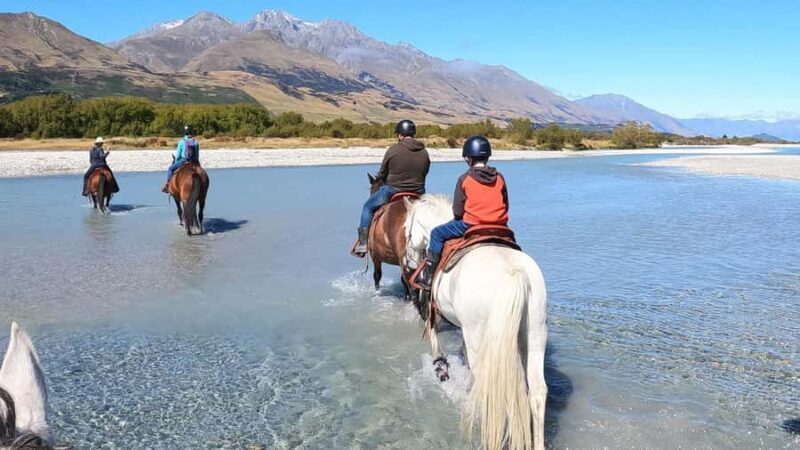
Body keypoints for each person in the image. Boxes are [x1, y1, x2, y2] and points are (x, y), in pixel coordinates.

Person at [415, 136, 509, 290]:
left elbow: (458, 211)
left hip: (471, 224)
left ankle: (429, 277)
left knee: (437, 234)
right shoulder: (500, 178)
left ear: (469, 158)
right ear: (487, 156)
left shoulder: (465, 179)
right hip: (500, 226)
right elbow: (506, 205)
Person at [353, 119, 430, 257]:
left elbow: (382, 173)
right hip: (418, 192)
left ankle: (363, 243)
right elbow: (425, 172)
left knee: (367, 207)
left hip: (393, 190)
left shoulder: (393, 150)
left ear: (400, 135)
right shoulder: (424, 152)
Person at [162, 125, 200, 193]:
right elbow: (197, 155)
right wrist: (197, 163)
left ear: (184, 132)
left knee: (170, 169)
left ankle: (168, 185)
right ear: (191, 132)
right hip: (194, 161)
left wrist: (176, 161)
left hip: (184, 160)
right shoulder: (196, 142)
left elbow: (178, 156)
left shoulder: (181, 142)